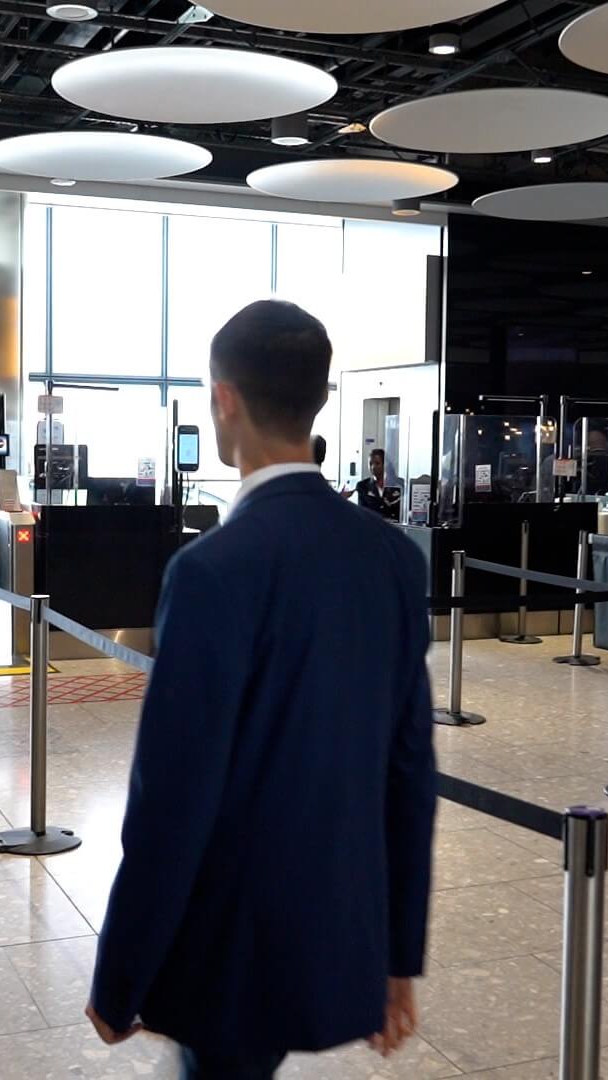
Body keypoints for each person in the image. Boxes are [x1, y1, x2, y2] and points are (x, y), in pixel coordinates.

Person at [86, 300, 436, 1079]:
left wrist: (120, 977)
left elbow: (172, 798)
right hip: (338, 936)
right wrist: (397, 957)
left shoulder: (212, 569)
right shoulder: (391, 559)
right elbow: (410, 774)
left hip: (230, 952)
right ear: (316, 399)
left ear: (225, 399)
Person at [354, 448, 400, 521]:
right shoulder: (362, 486)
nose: (373, 467)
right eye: (370, 464)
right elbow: (362, 512)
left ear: (385, 465)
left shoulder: (399, 484)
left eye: (377, 463)